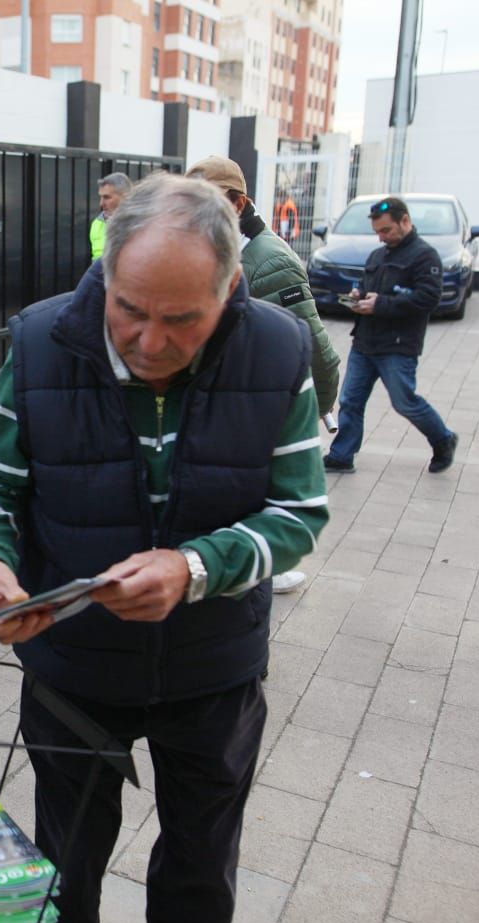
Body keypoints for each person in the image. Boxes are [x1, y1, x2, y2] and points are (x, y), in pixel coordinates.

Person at [0, 174, 328, 923]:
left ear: (229, 289)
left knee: (200, 872)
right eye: (128, 309)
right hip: (73, 670)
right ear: (107, 273)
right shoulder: (39, 344)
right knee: (65, 870)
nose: (150, 342)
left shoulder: (276, 348)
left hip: (212, 671)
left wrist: (194, 568)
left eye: (182, 320)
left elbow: (298, 513)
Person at [187, 155, 341, 594]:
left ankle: (261, 570)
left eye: (206, 203)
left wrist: (315, 408)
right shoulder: (220, 249)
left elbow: (315, 350)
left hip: (255, 404)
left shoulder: (270, 261)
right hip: (222, 399)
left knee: (255, 492)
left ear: (239, 203)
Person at [323, 197, 458, 474]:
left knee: (404, 402)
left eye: (386, 230)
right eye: (377, 232)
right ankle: (342, 455)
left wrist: (380, 304)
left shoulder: (425, 256)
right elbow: (367, 286)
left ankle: (443, 439)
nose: (381, 237)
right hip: (365, 342)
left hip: (397, 345)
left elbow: (428, 298)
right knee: (350, 401)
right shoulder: (378, 255)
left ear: (405, 221)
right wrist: (357, 296)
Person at [89, 172, 130, 262]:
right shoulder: (97, 224)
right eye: (101, 197)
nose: (101, 204)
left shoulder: (141, 224)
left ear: (126, 197)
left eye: (107, 197)